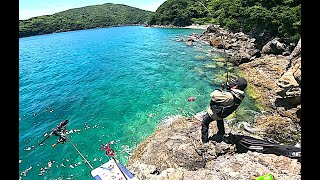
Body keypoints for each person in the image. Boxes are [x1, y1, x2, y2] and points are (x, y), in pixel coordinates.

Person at [201, 77, 247, 143]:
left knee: (204, 123)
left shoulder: (229, 96)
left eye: (234, 83)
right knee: (220, 119)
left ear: (236, 86)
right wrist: (229, 89)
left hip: (214, 113)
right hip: (223, 114)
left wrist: (219, 89)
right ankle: (221, 133)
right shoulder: (241, 95)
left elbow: (213, 95)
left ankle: (204, 141)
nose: (232, 83)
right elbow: (230, 98)